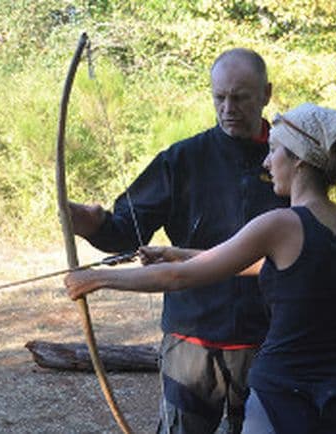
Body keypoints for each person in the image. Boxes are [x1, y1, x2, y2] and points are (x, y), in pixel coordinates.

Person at [66, 103, 336, 433]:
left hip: (284, 394)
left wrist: (96, 278)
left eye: (274, 150)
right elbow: (275, 268)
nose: (266, 161)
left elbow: (179, 279)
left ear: (300, 159)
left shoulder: (279, 225)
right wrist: (179, 253)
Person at [68, 48, 287, 433]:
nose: (228, 108)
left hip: (269, 338)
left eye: (241, 97)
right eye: (219, 97)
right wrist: (88, 223)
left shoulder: (288, 159)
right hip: (192, 339)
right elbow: (125, 232)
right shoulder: (183, 159)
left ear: (266, 93)